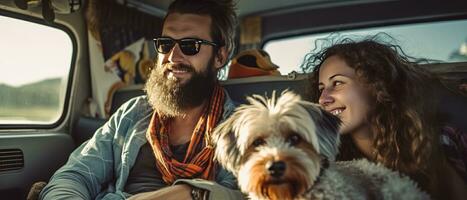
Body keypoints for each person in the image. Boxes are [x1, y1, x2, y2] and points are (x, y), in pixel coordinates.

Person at [39, 0, 244, 199]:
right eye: (165, 44)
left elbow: (248, 195)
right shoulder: (132, 113)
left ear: (220, 56)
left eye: (190, 45)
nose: (173, 57)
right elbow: (75, 175)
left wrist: (193, 193)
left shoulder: (240, 131)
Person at [304, 37, 467, 199]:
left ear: (376, 85)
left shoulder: (443, 140)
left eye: (338, 83)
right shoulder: (326, 164)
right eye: (321, 88)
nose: (323, 99)